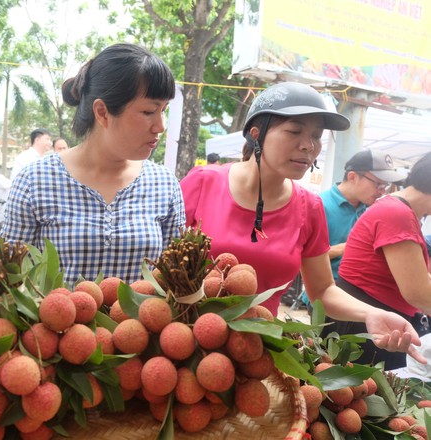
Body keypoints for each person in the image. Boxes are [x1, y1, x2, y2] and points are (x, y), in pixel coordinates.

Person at [180, 81, 424, 364]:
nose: (309, 145)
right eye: (294, 131)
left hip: (257, 354)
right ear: (256, 135)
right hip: (186, 341)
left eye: (317, 136)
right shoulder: (202, 183)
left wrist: (371, 313)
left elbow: (322, 290)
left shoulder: (309, 207)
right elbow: (162, 268)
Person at [1, 43, 185, 286]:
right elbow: (9, 281)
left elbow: (178, 280)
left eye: (164, 110)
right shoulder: (34, 181)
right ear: (102, 112)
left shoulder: (164, 184)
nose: (160, 126)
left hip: (144, 325)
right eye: (149, 111)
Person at [325, 151, 431, 369]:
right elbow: (418, 292)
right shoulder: (397, 213)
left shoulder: (402, 212)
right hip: (363, 326)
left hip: (376, 323)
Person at [300, 149, 406, 312]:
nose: (382, 191)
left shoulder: (371, 209)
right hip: (326, 296)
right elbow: (302, 256)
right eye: (378, 184)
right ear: (352, 177)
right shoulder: (319, 205)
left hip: (361, 296)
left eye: (385, 186)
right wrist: (349, 247)